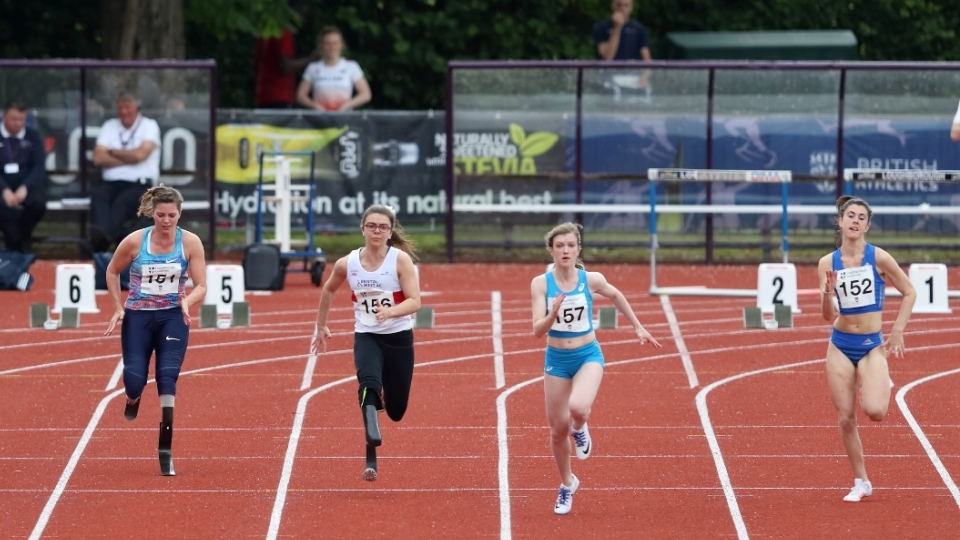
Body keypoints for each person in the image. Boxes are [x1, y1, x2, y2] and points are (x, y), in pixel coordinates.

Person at [530, 222, 661, 515]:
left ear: (578, 249)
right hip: (556, 359)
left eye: (570, 245)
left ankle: (581, 428)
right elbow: (537, 330)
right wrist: (552, 314)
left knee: (577, 407)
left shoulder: (591, 279)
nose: (565, 250)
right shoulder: (541, 283)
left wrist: (638, 327)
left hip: (588, 354)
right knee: (556, 430)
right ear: (551, 250)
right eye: (559, 245)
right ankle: (567, 485)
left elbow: (615, 295)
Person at [103, 184, 207, 477]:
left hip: (173, 317)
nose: (166, 221)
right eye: (160, 215)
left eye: (172, 215)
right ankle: (133, 398)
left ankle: (166, 446)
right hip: (138, 316)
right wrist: (117, 307)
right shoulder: (135, 242)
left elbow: (202, 284)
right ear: (152, 214)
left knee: (166, 376)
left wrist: (188, 300)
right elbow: (112, 271)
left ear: (179, 213)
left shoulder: (190, 243)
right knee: (135, 380)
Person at [310, 204, 420, 481]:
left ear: (390, 231)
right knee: (368, 383)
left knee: (396, 410)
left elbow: (415, 301)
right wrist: (321, 325)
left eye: (382, 227)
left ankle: (380, 408)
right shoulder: (348, 264)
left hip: (398, 337)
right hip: (367, 335)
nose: (376, 231)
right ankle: (371, 450)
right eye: (371, 226)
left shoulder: (400, 261)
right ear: (362, 229)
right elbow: (328, 289)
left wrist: (390, 311)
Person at [818, 195, 916, 502]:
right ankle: (861, 481)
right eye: (851, 215)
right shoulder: (827, 263)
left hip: (872, 344)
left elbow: (910, 292)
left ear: (867, 225)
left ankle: (875, 378)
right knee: (845, 417)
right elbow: (827, 315)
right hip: (840, 344)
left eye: (861, 217)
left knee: (875, 411)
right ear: (841, 221)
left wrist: (897, 330)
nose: (855, 220)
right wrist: (827, 293)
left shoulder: (879, 258)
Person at [89, 91, 161, 252]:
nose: (123, 112)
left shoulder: (149, 126)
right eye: (120, 108)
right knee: (99, 194)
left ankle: (101, 242)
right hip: (111, 182)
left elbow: (140, 155)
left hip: (140, 185)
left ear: (137, 108)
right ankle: (103, 236)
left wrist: (113, 152)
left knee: (121, 202)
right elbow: (98, 158)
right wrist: (129, 157)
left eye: (127, 107)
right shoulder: (109, 126)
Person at [0, 100, 47, 254]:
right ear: (4, 117)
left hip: (26, 185)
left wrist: (25, 187)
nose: (18, 123)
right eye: (14, 119)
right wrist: (4, 189)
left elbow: (39, 166)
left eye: (21, 119)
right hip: (2, 185)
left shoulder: (33, 136)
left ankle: (17, 241)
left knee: (38, 204)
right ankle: (20, 245)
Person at [297, 26, 372, 112]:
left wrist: (347, 105)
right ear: (321, 45)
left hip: (344, 117)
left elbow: (366, 94)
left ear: (341, 44)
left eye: (335, 43)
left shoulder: (351, 66)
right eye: (327, 43)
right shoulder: (313, 68)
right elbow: (300, 96)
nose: (331, 47)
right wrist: (315, 106)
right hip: (320, 118)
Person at [255, 18, 322, 108]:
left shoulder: (264, 33)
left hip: (262, 94)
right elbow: (285, 67)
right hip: (280, 95)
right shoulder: (284, 33)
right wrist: (311, 59)